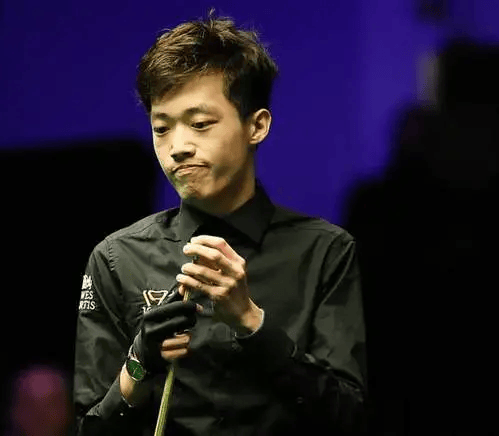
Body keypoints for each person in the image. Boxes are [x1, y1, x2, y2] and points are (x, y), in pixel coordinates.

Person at [74, 12, 367, 436]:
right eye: (161, 128)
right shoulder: (116, 259)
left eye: (199, 124)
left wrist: (251, 323)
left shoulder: (325, 251)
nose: (177, 147)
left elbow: (351, 418)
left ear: (256, 125)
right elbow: (88, 429)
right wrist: (139, 363)